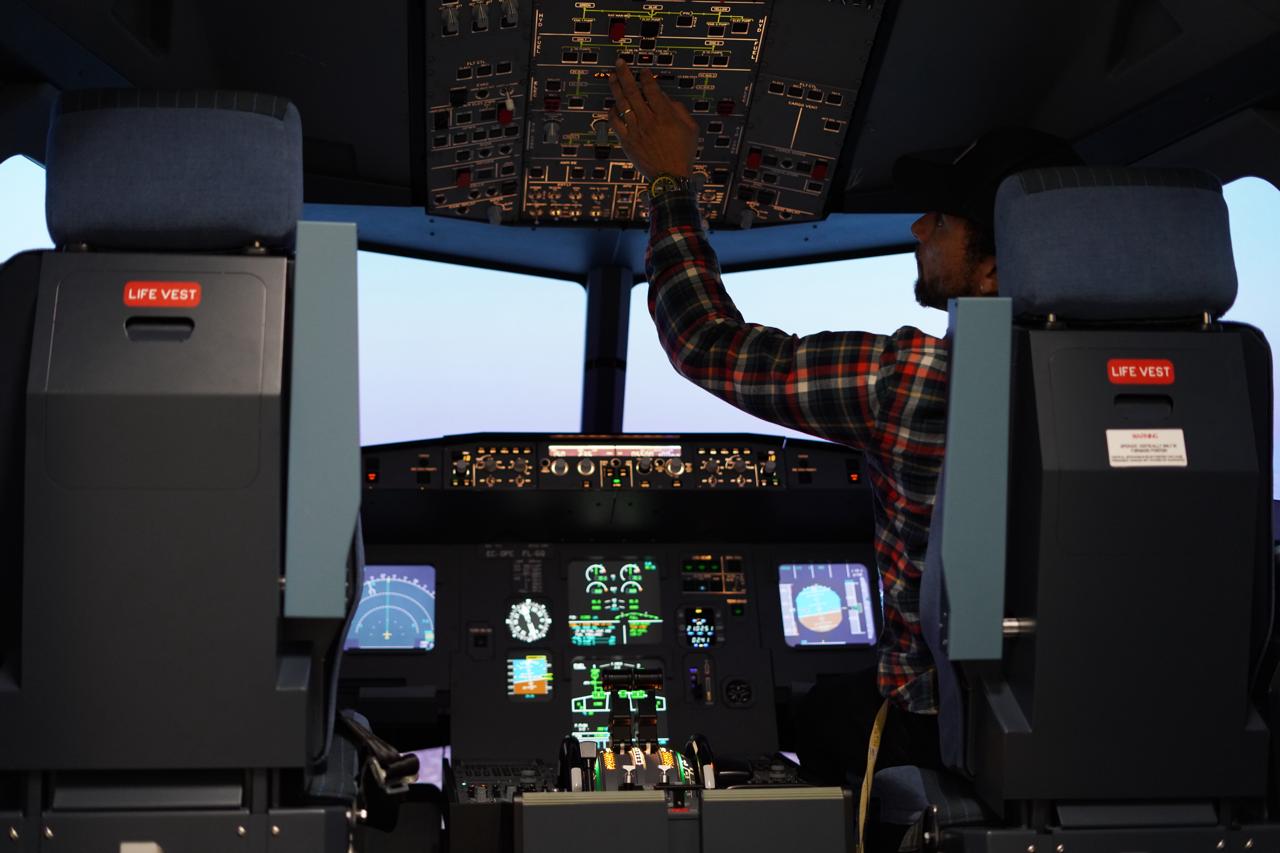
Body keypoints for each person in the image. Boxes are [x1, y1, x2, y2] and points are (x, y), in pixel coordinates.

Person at [606, 60, 1081, 788]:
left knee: (815, 718)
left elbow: (703, 339)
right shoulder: (1218, 381)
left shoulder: (921, 383)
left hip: (949, 734)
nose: (919, 226)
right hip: (1139, 734)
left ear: (992, 271)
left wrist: (671, 184)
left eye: (944, 218)